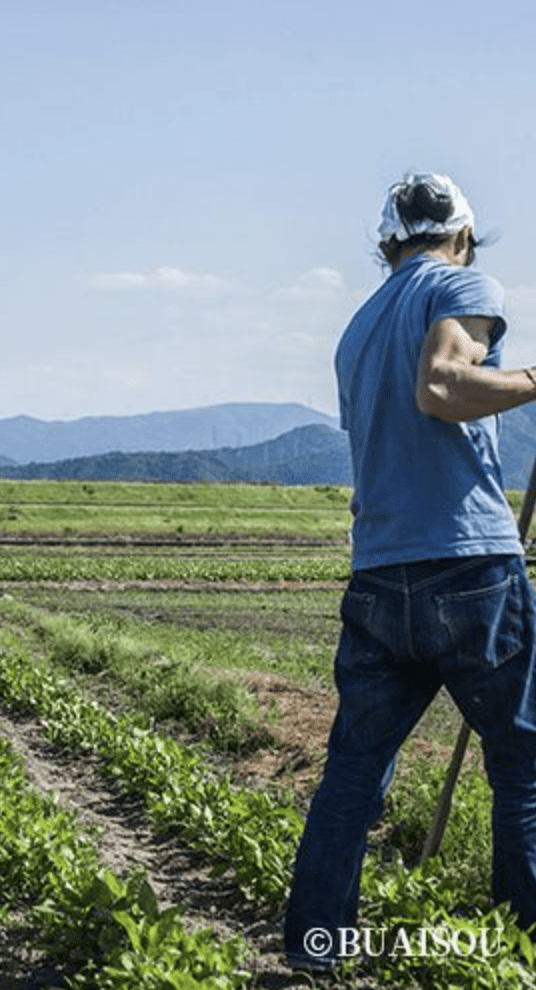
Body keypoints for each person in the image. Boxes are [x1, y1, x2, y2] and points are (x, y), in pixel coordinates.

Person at [284, 172, 536, 970]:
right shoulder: (463, 282)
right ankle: (519, 954)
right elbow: (442, 388)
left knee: (353, 775)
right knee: (526, 770)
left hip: (379, 576)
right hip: (469, 569)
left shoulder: (357, 327)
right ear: (463, 235)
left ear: (387, 243)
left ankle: (317, 949)